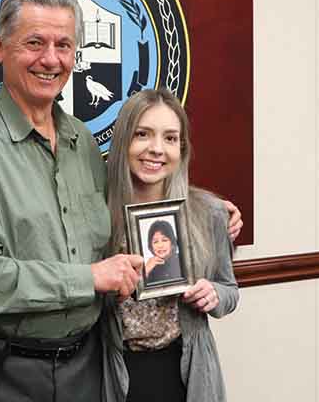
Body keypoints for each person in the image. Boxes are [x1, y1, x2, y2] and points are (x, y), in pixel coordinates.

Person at [0, 0, 144, 402]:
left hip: (85, 367)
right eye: (35, 43)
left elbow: (118, 226)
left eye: (64, 45)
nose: (51, 59)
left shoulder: (82, 141)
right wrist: (90, 279)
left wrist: (207, 213)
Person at [102, 89, 240, 402]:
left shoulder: (210, 213)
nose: (156, 149)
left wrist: (214, 295)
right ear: (124, 141)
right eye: (142, 134)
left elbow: (230, 290)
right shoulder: (97, 214)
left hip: (184, 371)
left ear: (182, 148)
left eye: (170, 138)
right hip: (115, 370)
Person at [144, 219, 182, 284]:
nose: (160, 245)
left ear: (172, 243)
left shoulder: (182, 260)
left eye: (164, 240)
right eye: (155, 242)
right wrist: (145, 271)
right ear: (151, 246)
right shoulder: (150, 267)